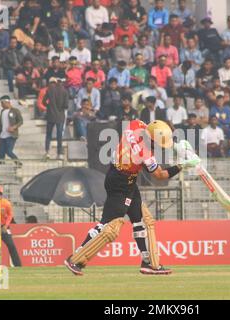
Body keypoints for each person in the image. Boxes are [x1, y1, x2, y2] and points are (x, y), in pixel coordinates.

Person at [64, 120, 200, 275]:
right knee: (107, 226)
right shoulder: (145, 154)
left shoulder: (136, 125)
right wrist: (183, 164)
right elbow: (160, 175)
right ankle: (75, 258)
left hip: (121, 177)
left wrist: (174, 143)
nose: (158, 147)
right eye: (158, 144)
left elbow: (154, 128)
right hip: (121, 184)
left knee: (140, 220)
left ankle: (147, 262)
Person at [43, 78, 69, 160]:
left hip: (50, 115)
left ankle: (47, 152)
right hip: (60, 116)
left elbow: (44, 101)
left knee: (48, 135)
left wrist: (49, 106)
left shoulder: (49, 90)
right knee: (59, 136)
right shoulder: (65, 91)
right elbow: (66, 106)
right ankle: (59, 154)